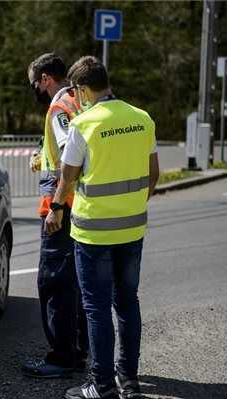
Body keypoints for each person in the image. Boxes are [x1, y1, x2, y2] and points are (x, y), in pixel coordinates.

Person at [44, 56, 159, 399]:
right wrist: (133, 204)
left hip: (93, 233)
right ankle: (130, 382)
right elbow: (153, 174)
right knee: (127, 303)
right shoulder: (142, 118)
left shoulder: (84, 124)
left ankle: (102, 384)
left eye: (76, 93)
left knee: (95, 309)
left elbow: (67, 179)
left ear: (81, 89)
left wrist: (55, 211)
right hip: (132, 229)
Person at [21, 53, 88, 379]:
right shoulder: (81, 101)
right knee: (76, 281)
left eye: (34, 82)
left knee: (53, 281)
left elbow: (66, 157)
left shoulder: (60, 107)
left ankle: (62, 358)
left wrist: (57, 208)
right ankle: (80, 350)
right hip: (83, 206)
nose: (34, 88)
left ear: (46, 79)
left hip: (61, 208)